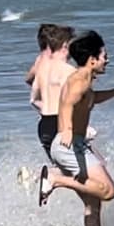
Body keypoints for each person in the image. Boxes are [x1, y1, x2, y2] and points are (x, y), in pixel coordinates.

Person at [37, 31, 114, 226]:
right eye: (104, 56)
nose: (107, 60)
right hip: (69, 145)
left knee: (93, 203)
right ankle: (55, 178)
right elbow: (68, 104)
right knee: (109, 191)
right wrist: (68, 129)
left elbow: (93, 99)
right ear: (92, 59)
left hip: (75, 145)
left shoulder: (85, 81)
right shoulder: (80, 80)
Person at [29, 25, 76, 158]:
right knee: (92, 165)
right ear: (65, 45)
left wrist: (46, 100)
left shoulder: (42, 67)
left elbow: (33, 100)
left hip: (44, 125)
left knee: (61, 164)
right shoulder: (69, 71)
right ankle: (50, 176)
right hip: (61, 124)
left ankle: (40, 177)